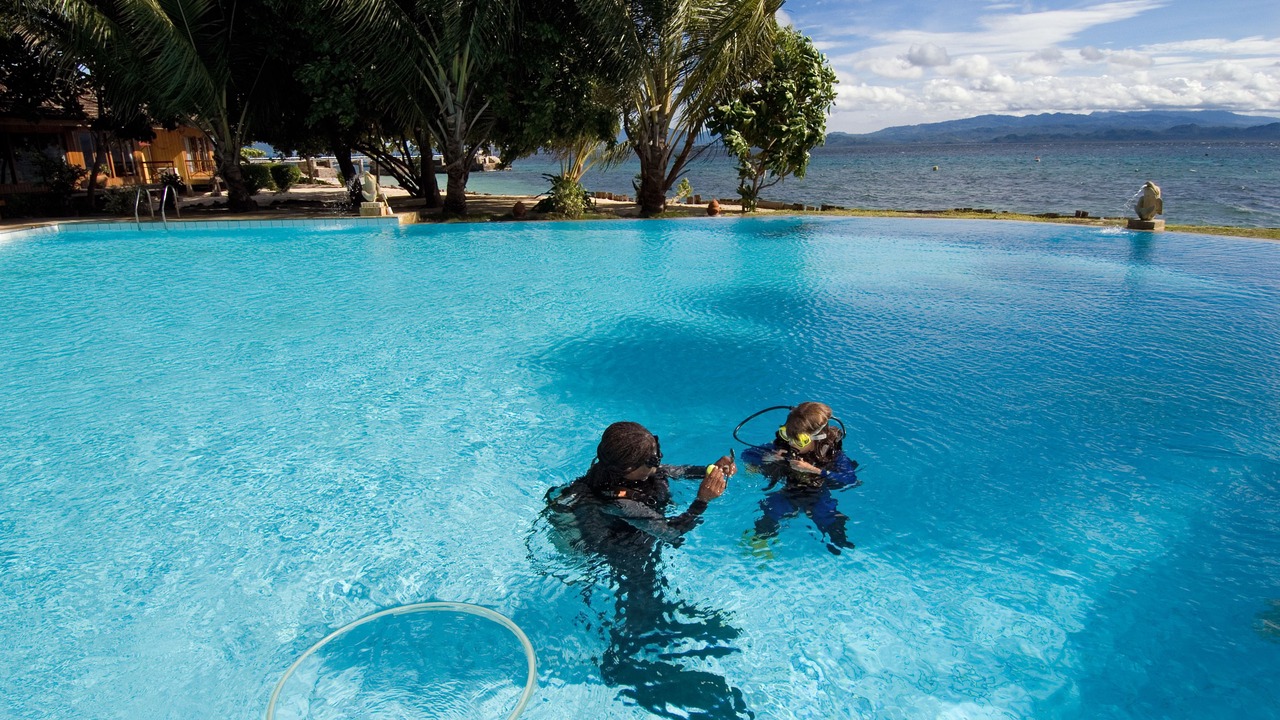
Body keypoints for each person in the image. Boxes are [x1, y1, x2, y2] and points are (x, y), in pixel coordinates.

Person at [543, 422, 752, 718]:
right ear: (629, 468)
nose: (658, 463)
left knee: (650, 600)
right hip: (625, 553)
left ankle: (661, 622)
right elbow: (673, 534)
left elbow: (673, 471)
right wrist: (702, 501)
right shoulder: (620, 503)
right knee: (641, 604)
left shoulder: (627, 471)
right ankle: (622, 664)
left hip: (636, 536)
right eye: (653, 459)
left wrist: (711, 470)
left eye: (657, 453)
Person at [741, 402, 860, 555]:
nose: (791, 443)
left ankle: (841, 545)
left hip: (817, 492)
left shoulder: (832, 454)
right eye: (788, 435)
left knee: (830, 520)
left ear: (817, 437)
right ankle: (760, 543)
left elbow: (849, 479)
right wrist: (768, 458)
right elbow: (747, 454)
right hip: (789, 490)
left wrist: (815, 470)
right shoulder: (784, 446)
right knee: (771, 510)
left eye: (799, 440)